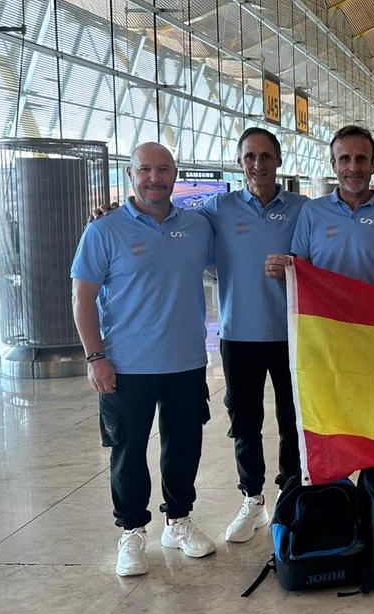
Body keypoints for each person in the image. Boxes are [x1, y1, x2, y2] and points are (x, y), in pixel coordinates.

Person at [71, 142, 217, 578]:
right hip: (125, 365)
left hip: (186, 361)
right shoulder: (104, 229)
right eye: (146, 170)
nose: (155, 178)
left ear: (176, 174)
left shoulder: (197, 226)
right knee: (128, 450)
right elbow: (82, 297)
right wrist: (95, 356)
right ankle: (133, 530)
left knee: (184, 444)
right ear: (131, 174)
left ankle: (178, 520)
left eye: (164, 169)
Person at [198, 128, 307, 544]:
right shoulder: (218, 208)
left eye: (265, 156)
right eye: (249, 157)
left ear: (278, 161)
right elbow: (165, 217)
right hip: (238, 335)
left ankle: (290, 492)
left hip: (292, 333)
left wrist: (294, 264)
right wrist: (115, 214)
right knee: (245, 422)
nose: (257, 165)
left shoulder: (301, 209)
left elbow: (321, 251)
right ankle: (252, 498)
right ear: (240, 162)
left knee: (291, 419)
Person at [266, 125, 374, 292]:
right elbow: (302, 272)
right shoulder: (311, 212)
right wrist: (284, 269)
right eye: (344, 159)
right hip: (325, 317)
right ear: (333, 165)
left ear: (373, 165)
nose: (353, 167)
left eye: (361, 159)